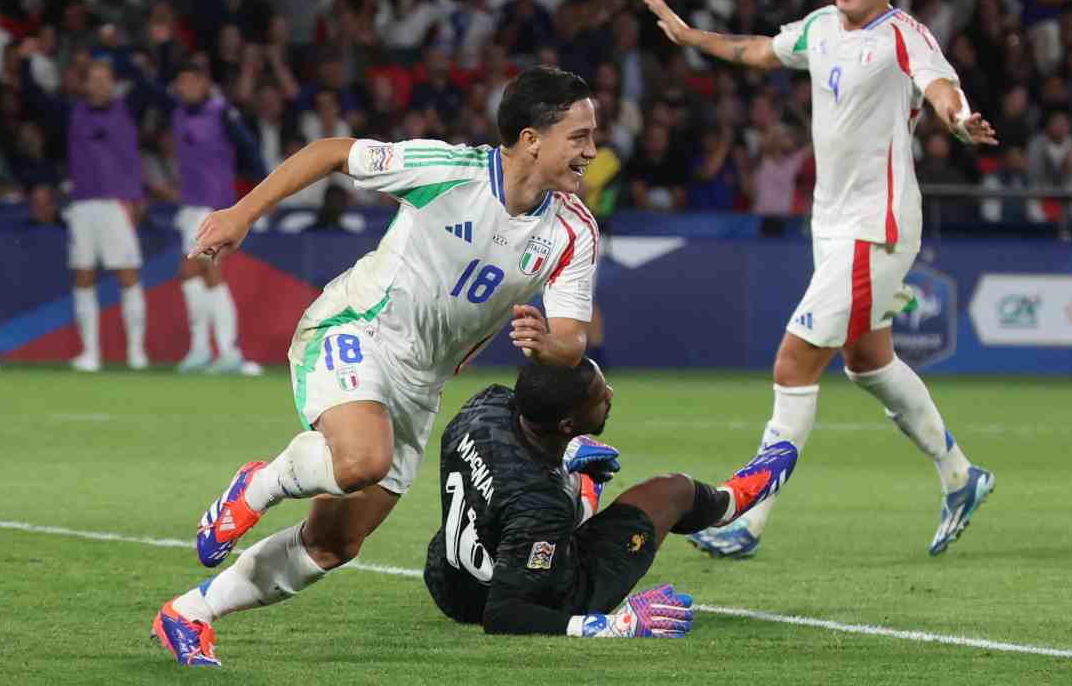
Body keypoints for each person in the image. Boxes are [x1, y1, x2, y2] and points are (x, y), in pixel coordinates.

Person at [152, 66, 603, 667]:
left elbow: (571, 337)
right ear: (530, 138)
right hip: (358, 327)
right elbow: (332, 151)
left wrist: (550, 346)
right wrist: (242, 213)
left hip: (423, 383)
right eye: (579, 137)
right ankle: (257, 485)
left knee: (334, 544)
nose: (591, 151)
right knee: (363, 460)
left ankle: (189, 614)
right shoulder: (447, 170)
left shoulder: (574, 230)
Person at [643, 0, 998, 559]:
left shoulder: (903, 35)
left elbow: (940, 86)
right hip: (831, 228)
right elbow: (757, 50)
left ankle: (747, 518)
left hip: (877, 228)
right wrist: (693, 35)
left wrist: (961, 118)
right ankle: (961, 476)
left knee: (793, 361)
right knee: (868, 361)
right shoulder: (818, 27)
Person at [423, 359, 798, 637]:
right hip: (521, 596)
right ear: (566, 425)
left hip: (447, 581)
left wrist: (563, 458)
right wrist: (612, 625)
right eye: (599, 397)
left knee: (538, 511)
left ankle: (577, 481)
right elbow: (503, 614)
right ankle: (728, 505)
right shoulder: (540, 503)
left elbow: (513, 482)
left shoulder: (483, 407)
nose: (610, 395)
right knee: (673, 492)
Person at [19, 40, 157, 372]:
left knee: (127, 275)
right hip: (82, 205)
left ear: (112, 82)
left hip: (117, 204)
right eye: (92, 79)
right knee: (83, 275)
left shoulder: (129, 107)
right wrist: (25, 62)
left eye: (104, 78)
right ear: (83, 83)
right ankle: (89, 353)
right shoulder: (71, 113)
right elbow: (35, 99)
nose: (97, 84)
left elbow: (151, 85)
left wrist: (122, 54)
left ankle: (136, 353)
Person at [167, 59, 264, 374]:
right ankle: (201, 349)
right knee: (191, 273)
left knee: (206, 271)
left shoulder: (222, 112)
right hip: (189, 205)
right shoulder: (178, 113)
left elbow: (250, 150)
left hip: (214, 205)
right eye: (181, 83)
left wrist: (262, 197)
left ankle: (228, 351)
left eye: (191, 82)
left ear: (204, 83)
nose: (185, 88)